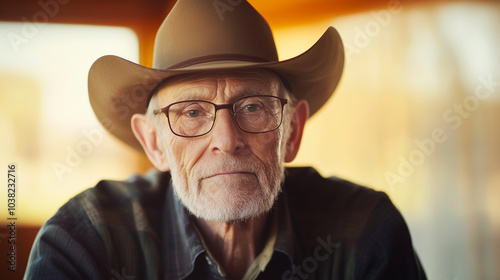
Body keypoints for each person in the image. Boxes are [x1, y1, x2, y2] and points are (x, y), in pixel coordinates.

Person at [25, 0, 426, 279]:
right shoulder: (83, 241)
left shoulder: (367, 232)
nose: (226, 139)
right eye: (192, 112)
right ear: (153, 143)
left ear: (293, 132)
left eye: (252, 107)